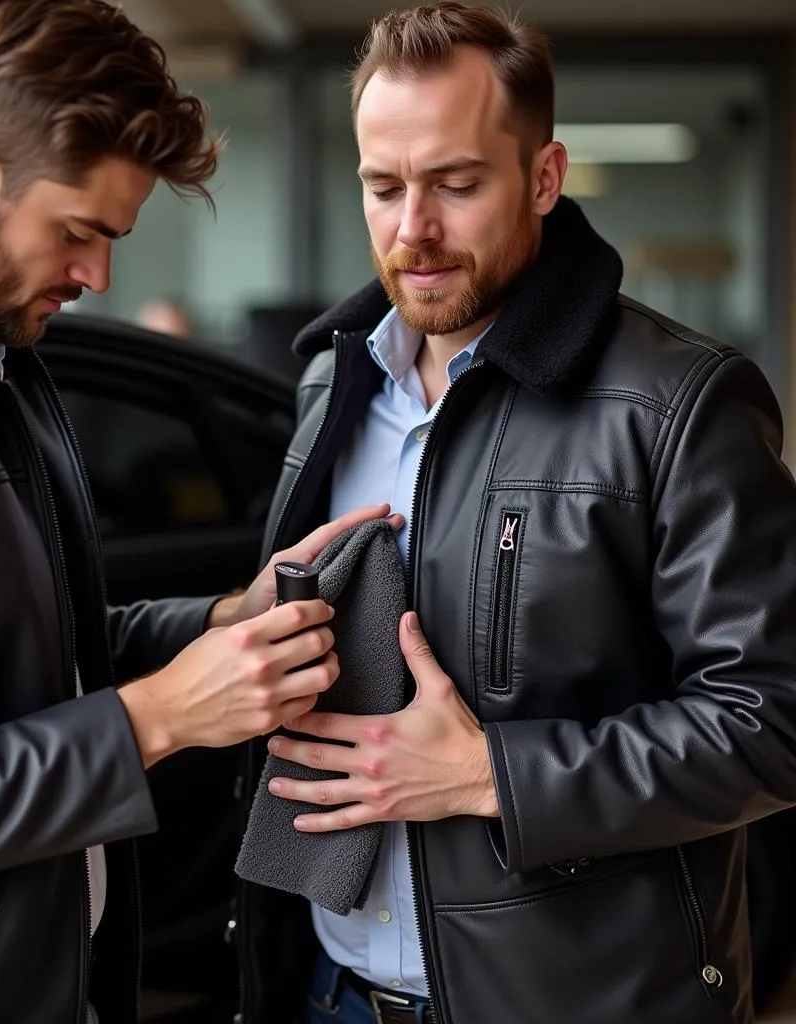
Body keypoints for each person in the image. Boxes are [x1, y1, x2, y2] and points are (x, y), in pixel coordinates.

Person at [0, 2, 395, 1022]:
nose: (98, 277)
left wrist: (218, 627)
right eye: (79, 232)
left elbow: (25, 659)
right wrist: (157, 717)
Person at [226, 5, 796, 1024]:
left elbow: (772, 720)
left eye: (455, 184)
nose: (414, 229)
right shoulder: (330, 383)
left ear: (542, 177)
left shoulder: (682, 402)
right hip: (329, 990)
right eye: (382, 187)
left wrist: (492, 772)